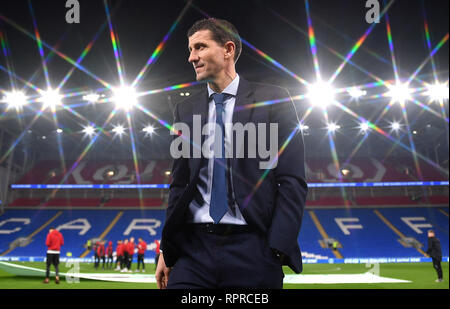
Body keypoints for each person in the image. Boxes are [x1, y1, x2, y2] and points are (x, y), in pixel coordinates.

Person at [156, 18, 307, 289]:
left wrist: (277, 248)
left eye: (200, 47)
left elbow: (292, 179)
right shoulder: (185, 110)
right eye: (190, 50)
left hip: (254, 250)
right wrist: (166, 250)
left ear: (228, 49)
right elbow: (179, 185)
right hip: (194, 252)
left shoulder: (275, 101)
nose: (192, 57)